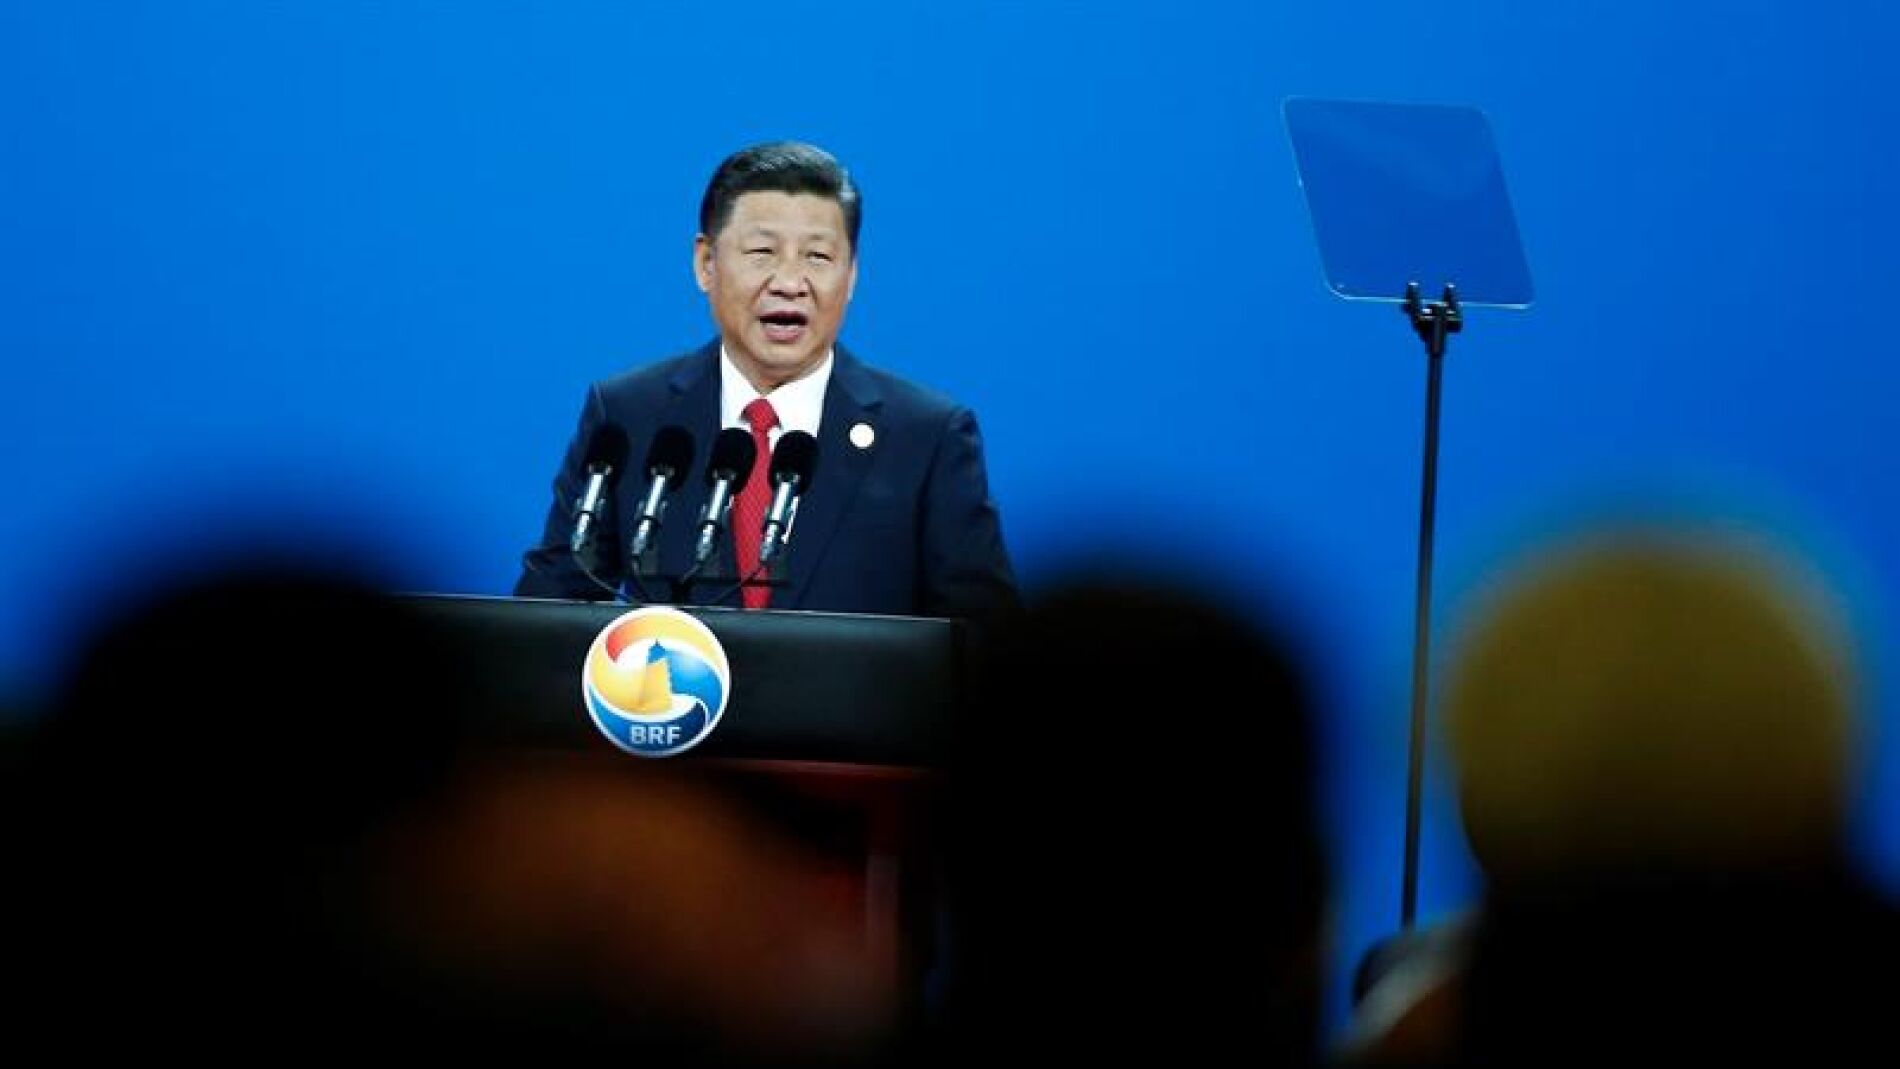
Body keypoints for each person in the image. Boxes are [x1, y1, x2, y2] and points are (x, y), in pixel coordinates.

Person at [515, 140, 1018, 623]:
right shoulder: (629, 416)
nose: (790, 283)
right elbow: (547, 616)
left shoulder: (926, 437)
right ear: (706, 264)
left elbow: (984, 639)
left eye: (818, 257)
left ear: (851, 275)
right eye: (762, 252)